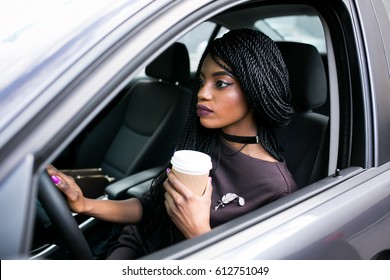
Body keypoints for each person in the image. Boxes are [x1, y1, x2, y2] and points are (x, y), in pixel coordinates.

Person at [47, 28, 297, 259]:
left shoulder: (277, 189)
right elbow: (150, 207)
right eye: (201, 82)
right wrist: (84, 204)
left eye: (220, 83)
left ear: (257, 88)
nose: (202, 93)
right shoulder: (202, 142)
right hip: (133, 246)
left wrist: (198, 232)